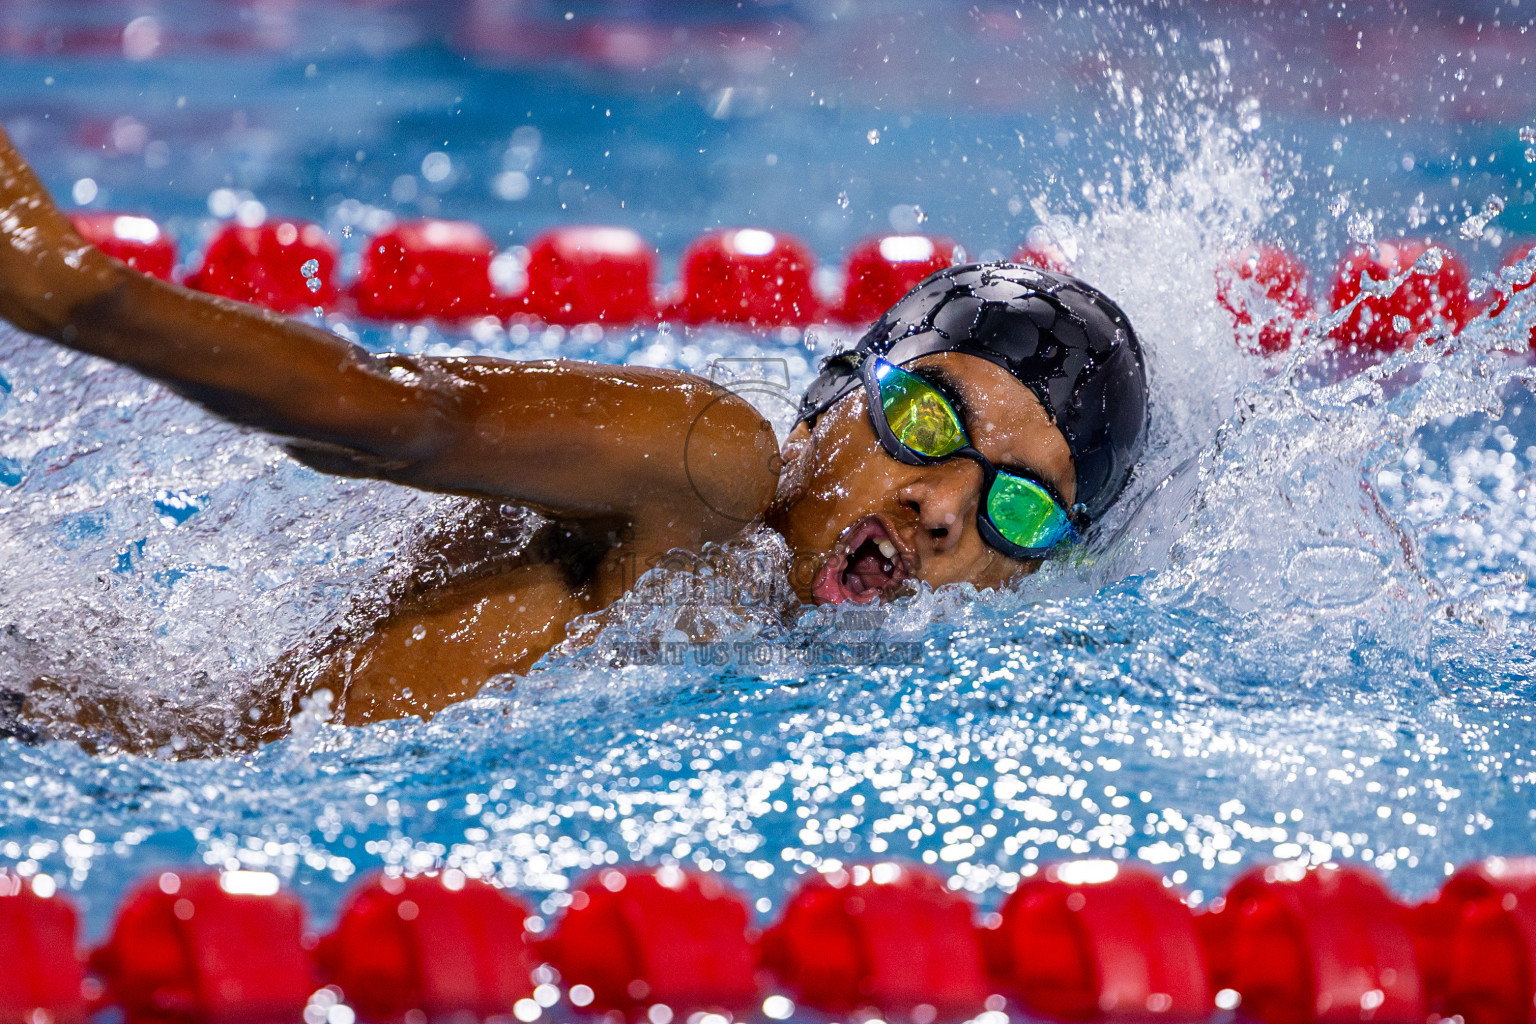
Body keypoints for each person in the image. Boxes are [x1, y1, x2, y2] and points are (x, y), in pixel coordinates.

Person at [0, 122, 1147, 748]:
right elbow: (399, 416)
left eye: (1018, 505)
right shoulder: (709, 465)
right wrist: (73, 292)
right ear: (841, 388)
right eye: (929, 420)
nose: (943, 505)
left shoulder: (816, 658)